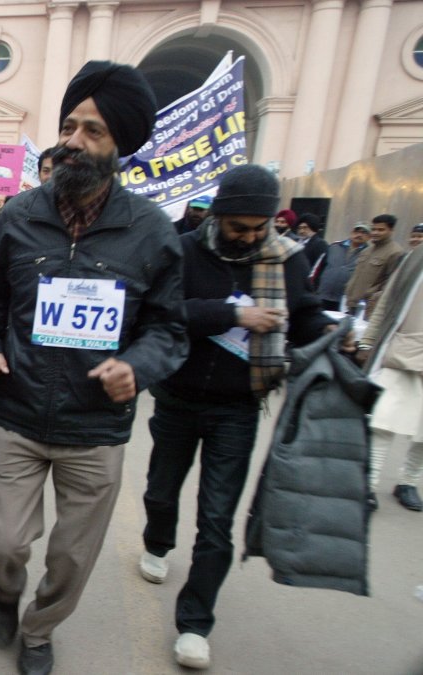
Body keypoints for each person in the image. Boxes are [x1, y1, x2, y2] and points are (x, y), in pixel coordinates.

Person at [0, 60, 187, 675]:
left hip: (96, 429)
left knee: (71, 557)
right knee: (4, 543)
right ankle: (5, 590)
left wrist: (136, 368)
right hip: (16, 411)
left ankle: (38, 631)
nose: (73, 142)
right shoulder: (19, 214)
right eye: (68, 126)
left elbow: (169, 328)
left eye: (92, 131)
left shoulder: (152, 232)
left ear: (121, 146)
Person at [137, 164, 337, 670]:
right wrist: (232, 314)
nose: (250, 237)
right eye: (239, 228)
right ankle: (157, 541)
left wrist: (337, 339)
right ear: (218, 216)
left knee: (218, 519)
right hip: (177, 398)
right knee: (162, 489)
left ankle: (195, 624)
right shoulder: (183, 251)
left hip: (239, 406)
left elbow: (305, 315)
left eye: (259, 228)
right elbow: (165, 313)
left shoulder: (285, 260)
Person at [358, 248, 423, 512]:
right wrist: (368, 341)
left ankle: (408, 482)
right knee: (383, 422)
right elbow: (387, 303)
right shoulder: (415, 258)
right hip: (401, 352)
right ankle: (367, 486)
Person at [345, 213, 405, 317]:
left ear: (391, 231)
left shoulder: (395, 252)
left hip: (369, 308)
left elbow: (391, 283)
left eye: (381, 230)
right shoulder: (366, 251)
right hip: (352, 304)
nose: (375, 233)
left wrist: (373, 299)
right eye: (373, 229)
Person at [310, 222, 369, 312]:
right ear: (351, 233)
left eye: (364, 233)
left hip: (345, 299)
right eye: (357, 231)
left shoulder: (368, 253)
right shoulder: (334, 247)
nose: (359, 234)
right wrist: (313, 288)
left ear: (369, 237)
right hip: (323, 294)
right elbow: (319, 268)